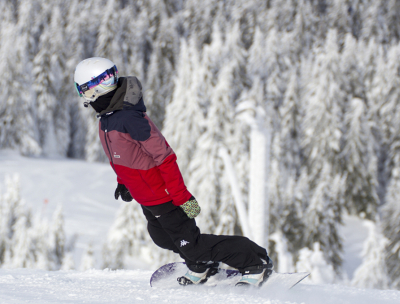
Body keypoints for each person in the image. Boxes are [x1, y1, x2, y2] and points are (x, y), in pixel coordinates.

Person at [73, 57, 273, 287]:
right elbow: (122, 157)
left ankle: (254, 260)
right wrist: (123, 182)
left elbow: (165, 157)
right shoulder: (107, 119)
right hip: (147, 198)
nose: (111, 83)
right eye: (106, 79)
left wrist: (182, 197)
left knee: (192, 244)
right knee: (164, 238)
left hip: (166, 196)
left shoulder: (129, 118)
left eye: (111, 77)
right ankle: (202, 266)